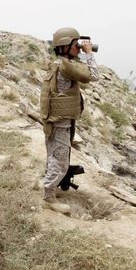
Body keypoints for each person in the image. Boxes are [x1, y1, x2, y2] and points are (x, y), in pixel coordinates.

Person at [39, 27, 99, 214]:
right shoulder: (66, 66)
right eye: (76, 45)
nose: (79, 47)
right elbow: (93, 76)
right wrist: (89, 54)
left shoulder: (59, 63)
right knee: (60, 161)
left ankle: (50, 186)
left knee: (55, 156)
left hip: (57, 120)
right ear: (66, 46)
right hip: (61, 122)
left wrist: (79, 52)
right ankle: (48, 197)